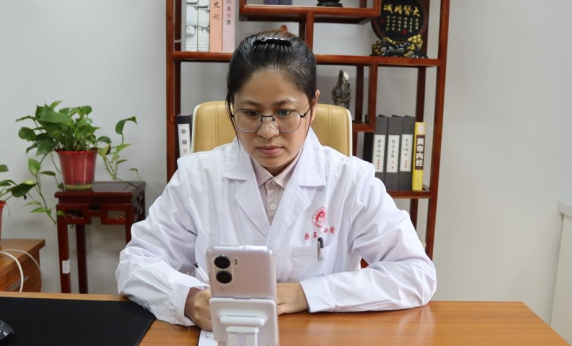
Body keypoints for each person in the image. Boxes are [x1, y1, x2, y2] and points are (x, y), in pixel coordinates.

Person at [116, 29, 437, 330]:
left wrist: (307, 294)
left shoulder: (351, 181)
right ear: (232, 107)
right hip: (223, 343)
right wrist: (188, 299)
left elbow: (415, 274)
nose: (268, 132)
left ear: (312, 106)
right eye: (251, 113)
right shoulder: (197, 178)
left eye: (284, 113)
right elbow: (135, 263)